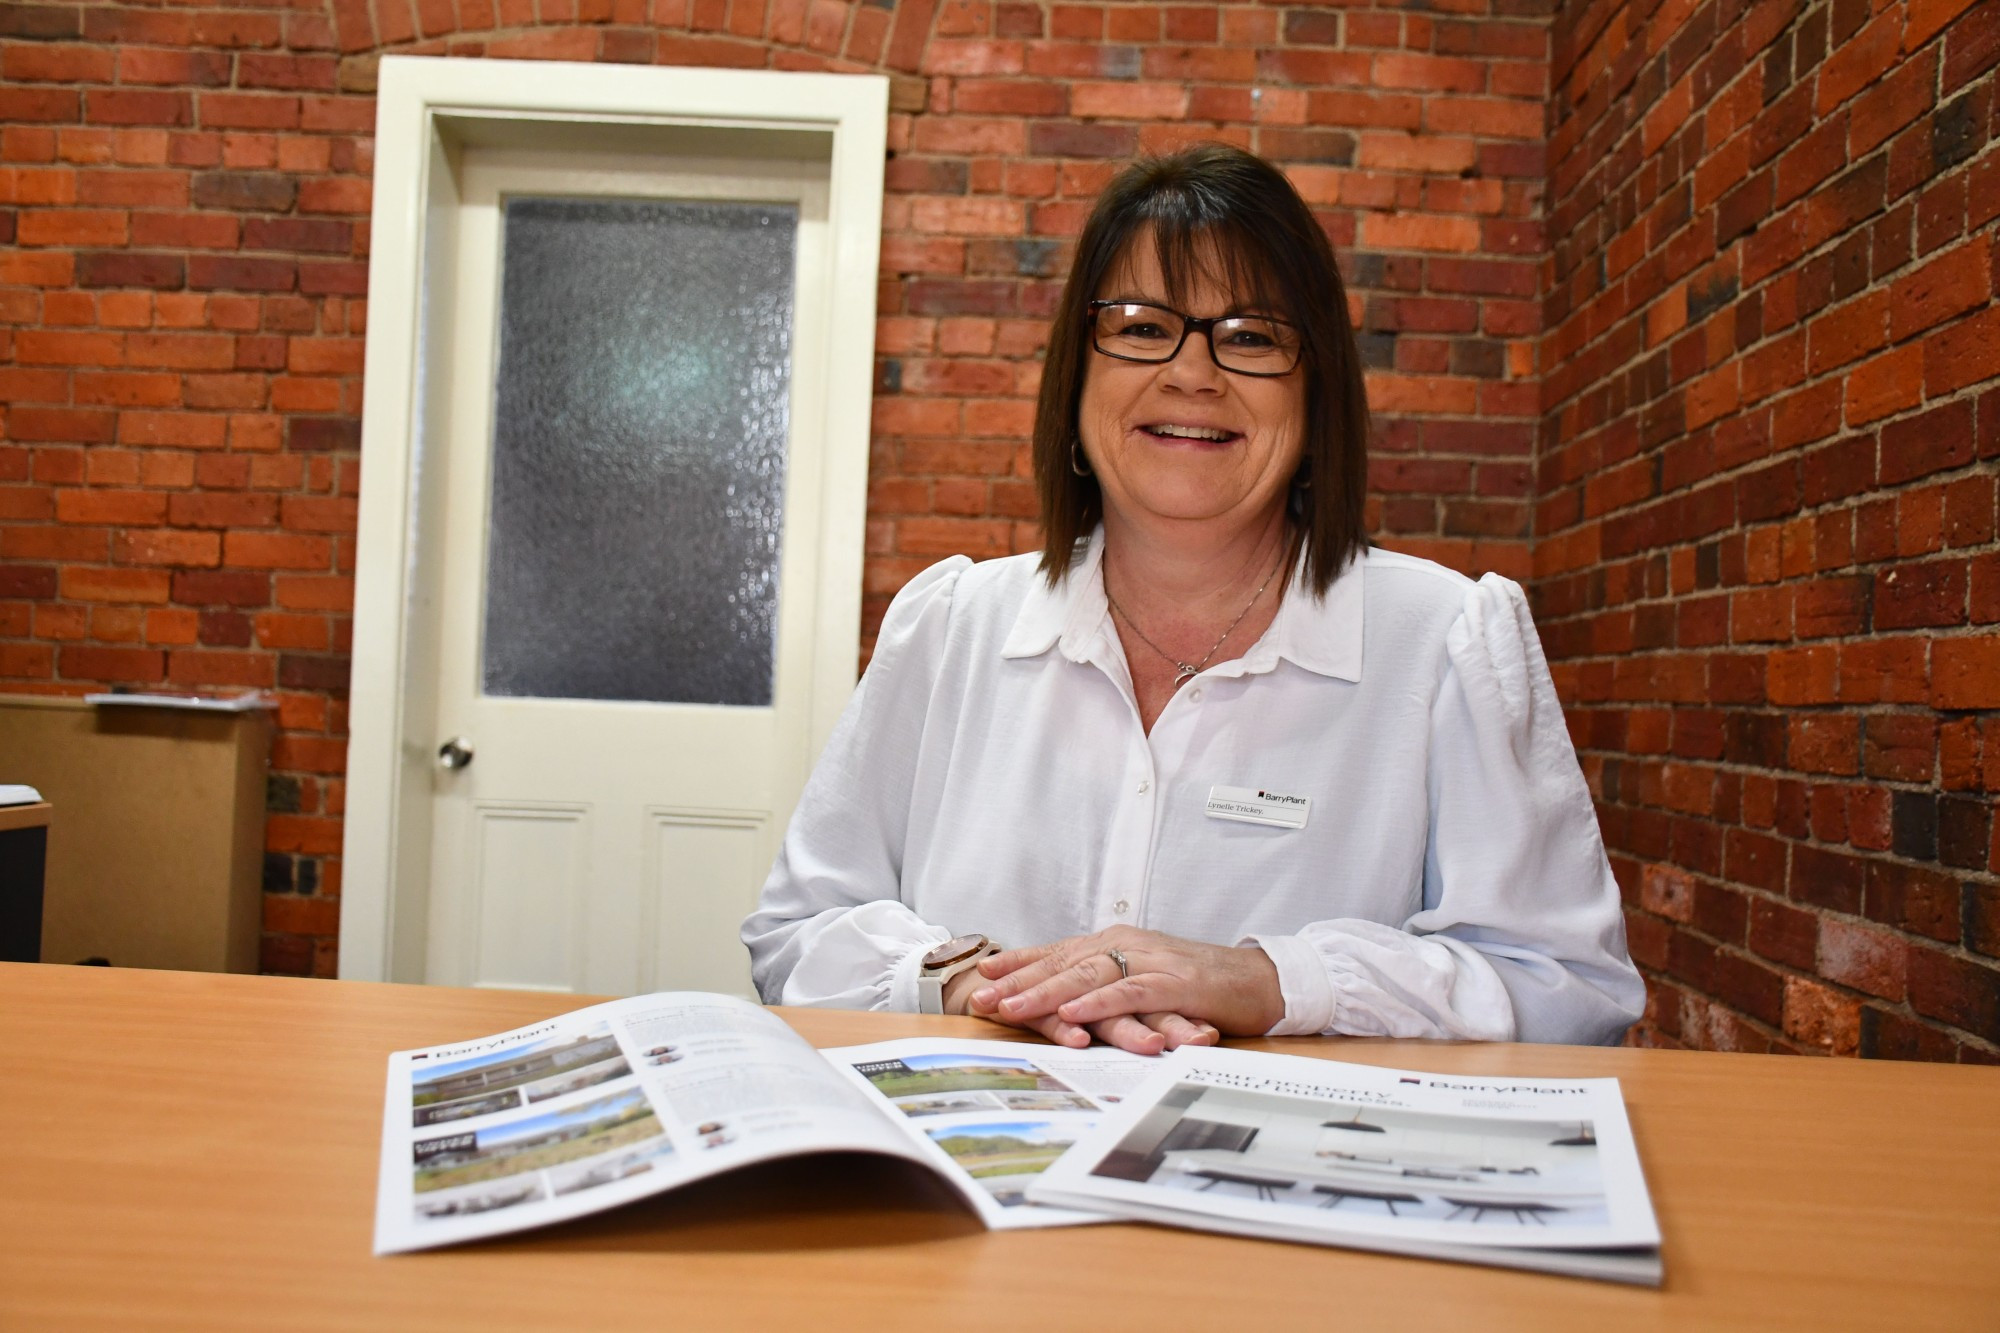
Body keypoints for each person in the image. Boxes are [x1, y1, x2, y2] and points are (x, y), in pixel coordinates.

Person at [741, 144, 1644, 1053]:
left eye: (1250, 336)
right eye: (1140, 326)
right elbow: (797, 932)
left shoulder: (1446, 641)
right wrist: (985, 983)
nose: (1193, 372)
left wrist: (1265, 980)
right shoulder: (949, 627)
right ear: (1076, 378)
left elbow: (1566, 988)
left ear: (1315, 389)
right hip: (978, 1174)